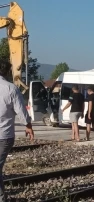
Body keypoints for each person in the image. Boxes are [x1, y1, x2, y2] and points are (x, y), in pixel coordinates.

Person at [0, 59, 34, 201]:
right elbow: (21, 110)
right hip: (5, 136)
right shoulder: (10, 88)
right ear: (8, 71)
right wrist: (28, 125)